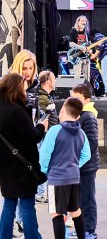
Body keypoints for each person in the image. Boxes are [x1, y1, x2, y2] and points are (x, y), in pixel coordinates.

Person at [0, 73, 48, 239]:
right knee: (27, 204)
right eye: (24, 87)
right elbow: (32, 136)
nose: (26, 91)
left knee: (9, 204)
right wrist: (42, 126)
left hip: (5, 165)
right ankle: (33, 236)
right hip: (23, 165)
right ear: (17, 88)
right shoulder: (17, 111)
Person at [39, 97, 91, 239]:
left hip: (56, 178)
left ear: (62, 110)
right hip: (74, 177)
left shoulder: (55, 130)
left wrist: (44, 171)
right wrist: (74, 165)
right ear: (78, 116)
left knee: (56, 214)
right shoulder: (82, 133)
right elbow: (87, 155)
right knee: (75, 211)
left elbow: (44, 155)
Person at [71, 84, 100, 239]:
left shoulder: (88, 116)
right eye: (71, 97)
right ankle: (82, 228)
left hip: (86, 167)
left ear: (86, 100)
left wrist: (77, 155)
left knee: (87, 200)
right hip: (79, 166)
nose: (72, 101)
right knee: (80, 199)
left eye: (76, 98)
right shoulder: (79, 115)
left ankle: (89, 230)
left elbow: (92, 143)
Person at [35, 70, 59, 205]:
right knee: (44, 164)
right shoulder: (42, 97)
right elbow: (42, 118)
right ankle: (42, 194)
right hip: (45, 136)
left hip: (47, 135)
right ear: (48, 81)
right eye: (54, 79)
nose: (55, 81)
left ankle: (43, 194)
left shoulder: (45, 96)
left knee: (45, 164)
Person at [10, 50, 39, 122]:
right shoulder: (7, 85)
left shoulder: (35, 84)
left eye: (31, 68)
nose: (28, 73)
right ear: (18, 67)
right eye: (24, 68)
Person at [90, 28, 107, 97]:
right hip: (106, 56)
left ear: (92, 34)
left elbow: (101, 45)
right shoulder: (101, 36)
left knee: (104, 74)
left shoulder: (98, 36)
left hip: (106, 56)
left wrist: (94, 54)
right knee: (105, 74)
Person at [69, 15, 92, 80]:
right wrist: (81, 47)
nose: (84, 22)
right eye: (82, 20)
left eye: (85, 21)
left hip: (86, 56)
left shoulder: (86, 32)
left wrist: (90, 50)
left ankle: (86, 90)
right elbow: (71, 44)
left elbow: (90, 44)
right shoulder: (73, 30)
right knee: (77, 76)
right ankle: (77, 90)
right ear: (78, 22)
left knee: (87, 77)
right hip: (77, 56)